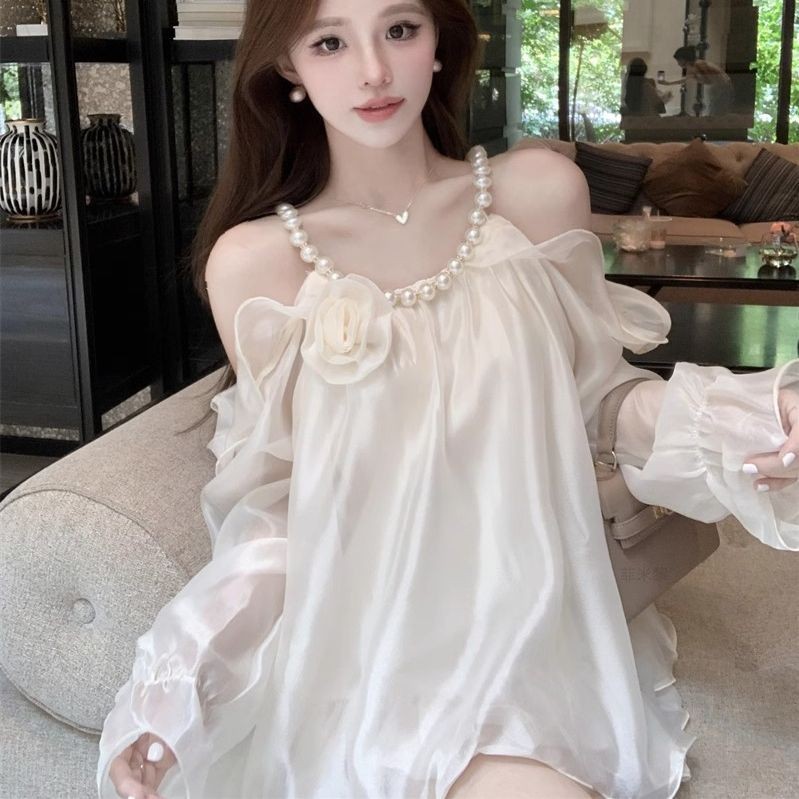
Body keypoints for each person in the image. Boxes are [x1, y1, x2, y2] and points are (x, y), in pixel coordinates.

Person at [97, 1, 799, 797]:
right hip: (363, 649)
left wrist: (752, 418)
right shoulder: (257, 263)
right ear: (287, 64)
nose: (373, 71)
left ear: (439, 41)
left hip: (527, 623)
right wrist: (177, 689)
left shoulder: (534, 195)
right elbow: (279, 513)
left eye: (399, 30)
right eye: (330, 42)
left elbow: (601, 403)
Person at [661, 45, 734, 115]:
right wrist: (669, 83)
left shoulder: (698, 65)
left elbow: (712, 78)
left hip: (721, 88)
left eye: (679, 60)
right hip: (721, 87)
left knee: (718, 110)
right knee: (716, 110)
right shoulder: (693, 66)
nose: (678, 63)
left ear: (684, 59)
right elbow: (686, 79)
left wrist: (669, 83)